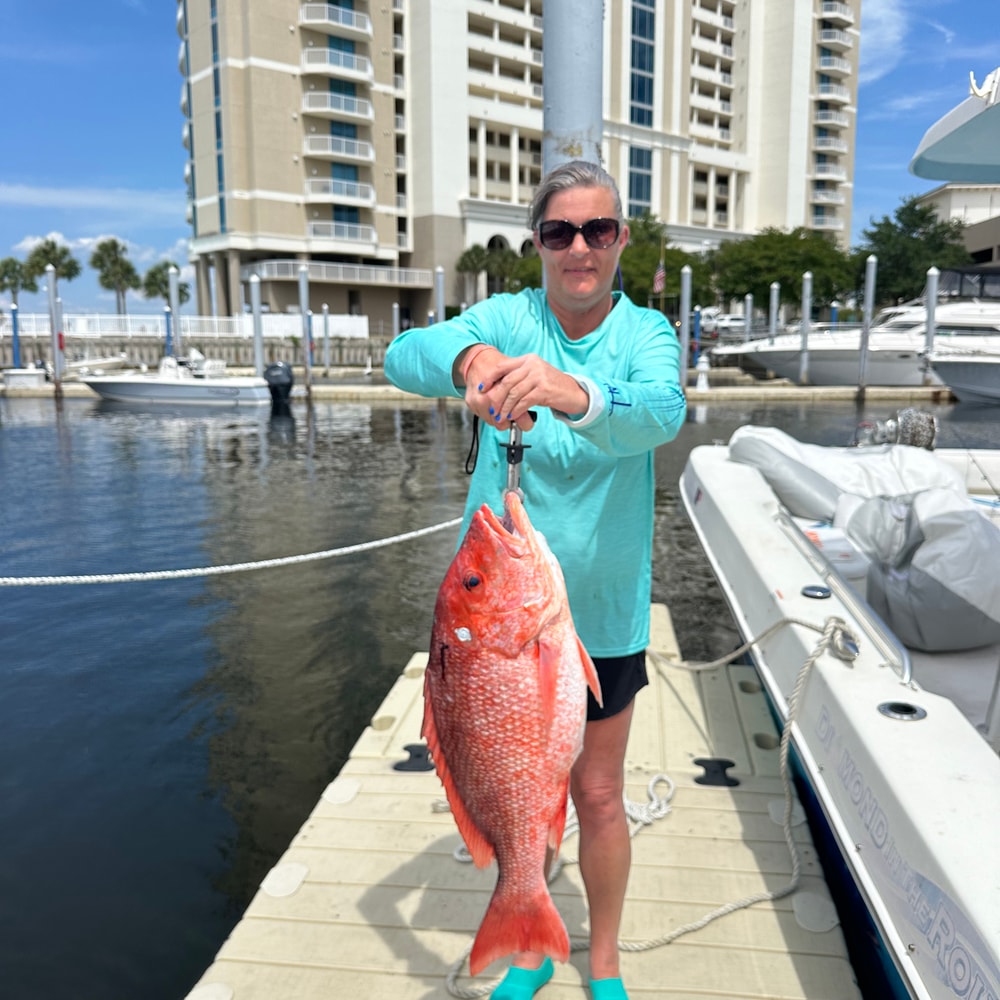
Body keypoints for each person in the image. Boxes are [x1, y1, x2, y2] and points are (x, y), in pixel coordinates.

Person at [384, 159, 687, 1000]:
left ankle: (604, 959)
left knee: (598, 793)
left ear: (621, 239)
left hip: (603, 617)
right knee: (526, 786)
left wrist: (570, 391)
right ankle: (529, 946)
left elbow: (661, 412)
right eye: (560, 231)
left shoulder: (645, 333)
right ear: (538, 244)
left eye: (598, 229)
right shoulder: (508, 316)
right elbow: (402, 354)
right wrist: (470, 357)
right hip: (495, 629)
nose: (579, 247)